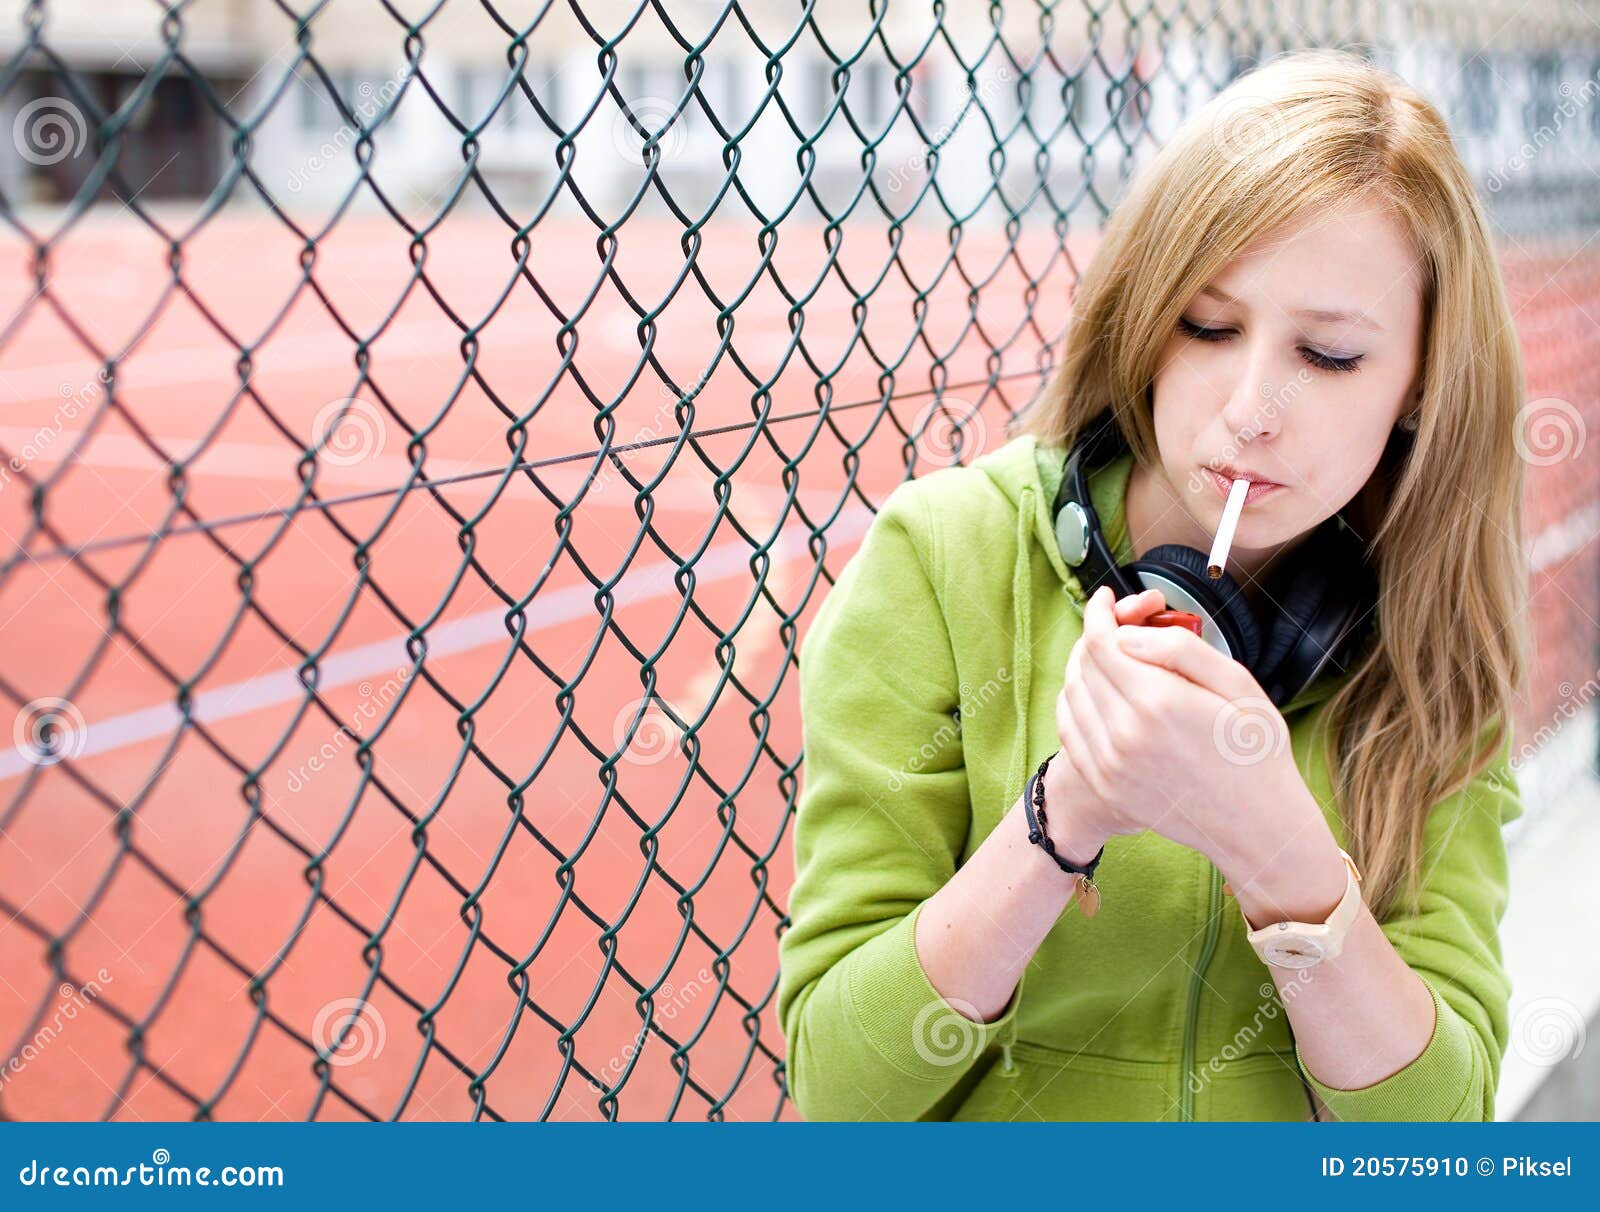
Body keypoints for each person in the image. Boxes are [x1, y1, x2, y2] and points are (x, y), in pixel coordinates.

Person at [777, 47, 1530, 1121]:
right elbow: (843, 1088)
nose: (1251, 408)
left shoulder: (1433, 639)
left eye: (1327, 356)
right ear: (1143, 320)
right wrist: (1066, 812)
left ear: (1420, 382)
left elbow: (1439, 1136)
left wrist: (1280, 852)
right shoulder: (940, 558)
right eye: (1209, 326)